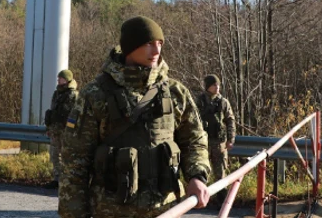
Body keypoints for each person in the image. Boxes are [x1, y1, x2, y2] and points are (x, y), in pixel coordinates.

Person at [59, 16, 211, 218]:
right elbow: (74, 162)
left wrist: (197, 175)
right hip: (112, 212)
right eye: (149, 44)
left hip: (167, 210)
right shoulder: (96, 94)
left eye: (160, 44)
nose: (156, 51)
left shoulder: (176, 92)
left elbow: (194, 140)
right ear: (130, 47)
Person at [197, 75, 236, 185]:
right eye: (214, 84)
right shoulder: (200, 101)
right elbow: (193, 121)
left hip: (220, 143)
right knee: (202, 174)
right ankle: (203, 200)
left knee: (221, 175)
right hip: (204, 143)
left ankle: (222, 199)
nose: (217, 86)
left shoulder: (223, 102)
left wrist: (231, 139)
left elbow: (230, 121)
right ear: (208, 86)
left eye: (218, 84)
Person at [44, 69, 79, 189]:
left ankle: (66, 180)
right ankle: (57, 179)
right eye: (58, 78)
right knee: (54, 155)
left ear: (67, 79)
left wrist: (71, 131)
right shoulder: (57, 93)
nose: (58, 80)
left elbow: (75, 114)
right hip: (55, 129)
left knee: (66, 156)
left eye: (61, 78)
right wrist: (49, 127)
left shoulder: (73, 95)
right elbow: (53, 111)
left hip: (66, 131)